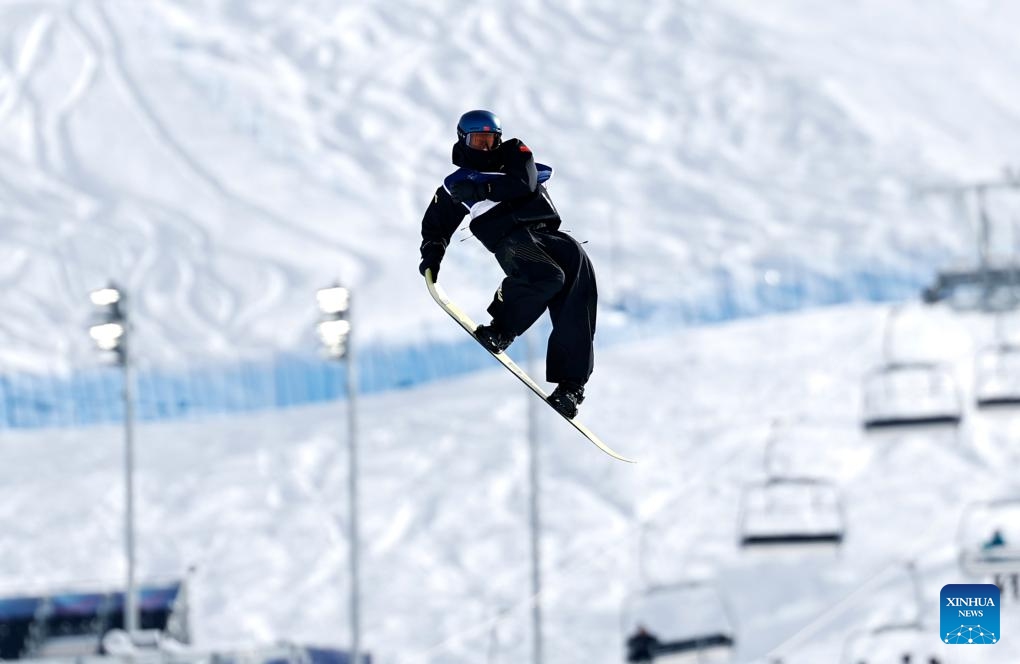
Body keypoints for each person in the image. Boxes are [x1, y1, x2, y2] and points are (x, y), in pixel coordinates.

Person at [419, 109, 598, 418]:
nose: (485, 149)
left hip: (549, 236)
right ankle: (501, 329)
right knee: (545, 276)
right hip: (513, 238)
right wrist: (432, 256)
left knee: (577, 295)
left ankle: (571, 388)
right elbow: (436, 225)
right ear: (464, 141)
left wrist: (483, 190)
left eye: (490, 141)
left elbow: (525, 182)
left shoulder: (515, 154)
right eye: (478, 142)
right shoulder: (458, 183)